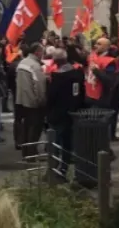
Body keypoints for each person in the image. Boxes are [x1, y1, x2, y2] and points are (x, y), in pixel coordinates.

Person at [46, 48, 85, 176]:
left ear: (55, 62)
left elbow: (51, 97)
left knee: (56, 142)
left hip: (58, 114)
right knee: (68, 142)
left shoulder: (57, 78)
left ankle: (54, 169)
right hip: (73, 112)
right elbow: (81, 93)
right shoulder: (78, 74)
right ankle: (64, 167)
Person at [15, 42, 47, 160]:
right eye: (42, 52)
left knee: (26, 128)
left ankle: (26, 152)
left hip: (21, 101)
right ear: (37, 52)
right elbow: (39, 86)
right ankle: (32, 154)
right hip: (33, 103)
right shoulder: (35, 66)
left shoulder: (22, 63)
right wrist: (41, 101)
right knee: (34, 129)